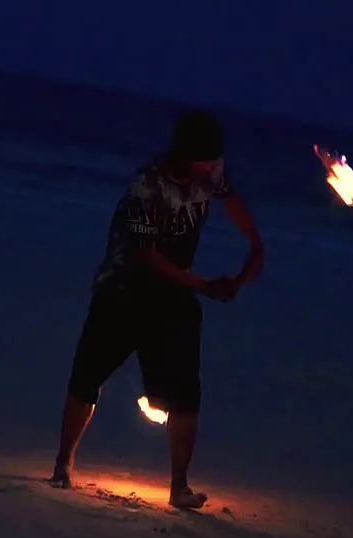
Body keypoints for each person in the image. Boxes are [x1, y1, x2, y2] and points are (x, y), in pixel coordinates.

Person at [49, 109, 266, 509]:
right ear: (185, 155)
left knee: (186, 390)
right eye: (208, 159)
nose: (216, 168)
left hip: (173, 294)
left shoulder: (210, 176)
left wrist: (255, 243)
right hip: (124, 288)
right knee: (88, 375)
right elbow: (147, 257)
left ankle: (179, 486)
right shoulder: (147, 185)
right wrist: (204, 285)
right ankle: (63, 463)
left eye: (218, 159)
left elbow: (231, 199)